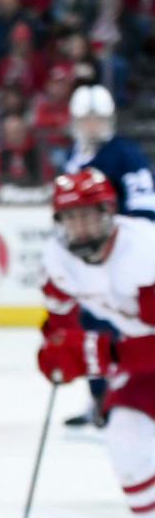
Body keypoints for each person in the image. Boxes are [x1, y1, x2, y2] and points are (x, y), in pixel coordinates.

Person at [34, 169, 155, 518]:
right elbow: (59, 315)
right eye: (70, 219)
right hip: (143, 358)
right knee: (124, 440)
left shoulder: (143, 250)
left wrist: (101, 354)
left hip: (143, 351)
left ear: (109, 212)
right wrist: (55, 348)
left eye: (88, 216)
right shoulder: (60, 258)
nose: (79, 227)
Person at [60, 85, 155, 429]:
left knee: (128, 329)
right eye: (86, 119)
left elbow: (145, 210)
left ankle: (125, 402)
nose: (92, 126)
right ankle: (99, 400)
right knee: (91, 329)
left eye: (98, 119)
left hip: (121, 260)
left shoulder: (125, 155)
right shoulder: (76, 155)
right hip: (90, 259)